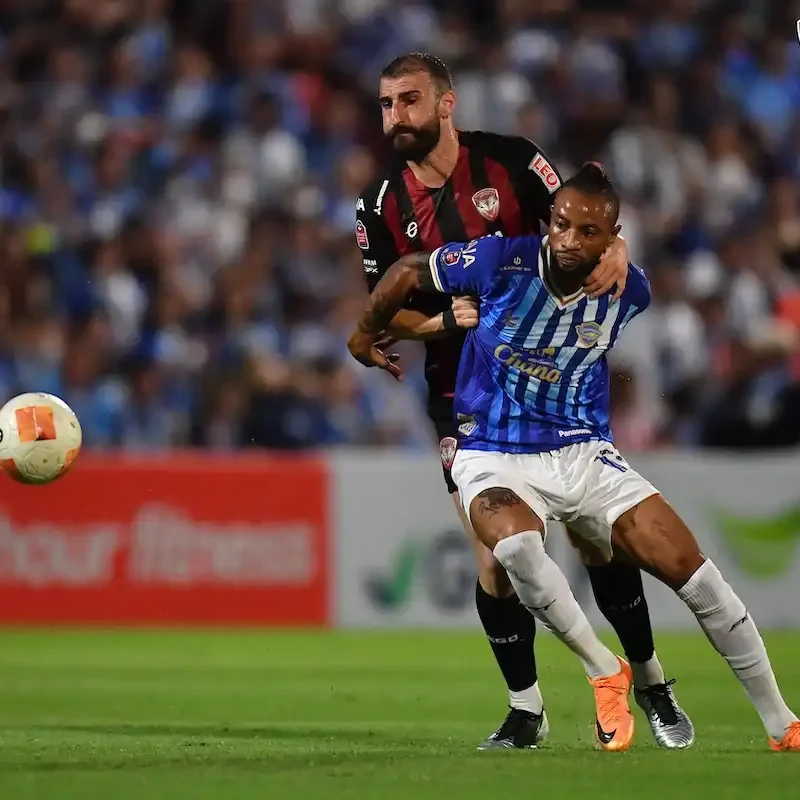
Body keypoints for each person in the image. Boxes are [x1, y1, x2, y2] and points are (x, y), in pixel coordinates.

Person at [348, 163, 800, 753]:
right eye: (560, 224)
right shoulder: (500, 261)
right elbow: (408, 269)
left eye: (587, 232)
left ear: (610, 238)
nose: (567, 240)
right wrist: (363, 335)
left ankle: (781, 722)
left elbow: (630, 260)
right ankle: (603, 670)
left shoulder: (629, 290)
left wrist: (623, 252)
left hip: (585, 452)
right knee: (510, 548)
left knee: (697, 575)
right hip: (492, 448)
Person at [354, 51, 693, 750]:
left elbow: (585, 223)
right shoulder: (380, 205)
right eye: (387, 105)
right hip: (464, 393)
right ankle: (526, 709)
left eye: (409, 101)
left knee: (596, 540)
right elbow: (388, 313)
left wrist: (620, 247)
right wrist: (445, 322)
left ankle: (652, 681)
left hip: (556, 383)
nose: (396, 118)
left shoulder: (513, 163)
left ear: (447, 103)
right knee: (497, 557)